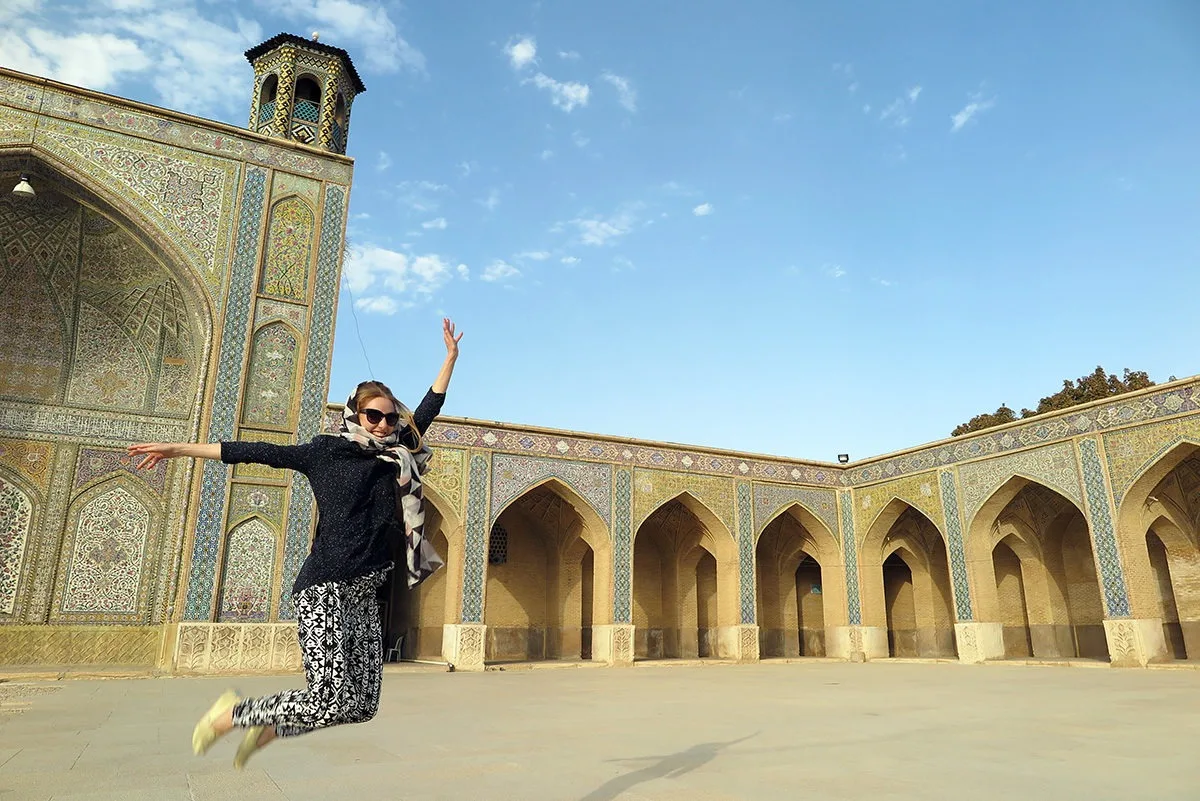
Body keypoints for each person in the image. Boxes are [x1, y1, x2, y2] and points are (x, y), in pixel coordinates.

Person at [128, 318, 463, 769]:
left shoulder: (397, 455)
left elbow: (428, 410)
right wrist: (181, 449)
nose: (384, 424)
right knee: (326, 697)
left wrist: (449, 360)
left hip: (365, 590)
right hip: (325, 586)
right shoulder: (324, 451)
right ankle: (232, 714)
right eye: (374, 416)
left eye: (390, 416)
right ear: (355, 414)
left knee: (361, 705)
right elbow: (257, 451)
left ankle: (268, 729)